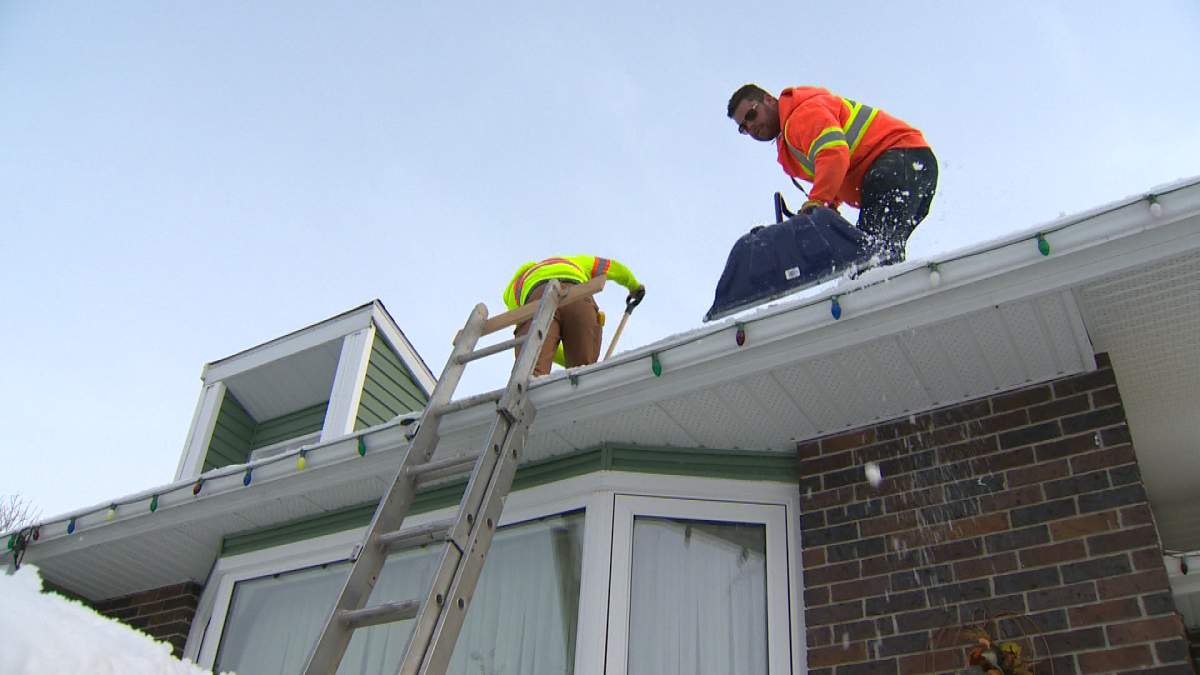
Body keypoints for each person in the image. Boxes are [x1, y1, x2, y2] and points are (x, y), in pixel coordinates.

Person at [728, 84, 938, 265]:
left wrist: (817, 202)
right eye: (743, 128)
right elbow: (834, 172)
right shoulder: (791, 145)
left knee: (871, 255)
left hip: (899, 161)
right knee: (880, 251)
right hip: (908, 167)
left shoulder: (802, 114)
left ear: (768, 100)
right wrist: (829, 206)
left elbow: (833, 154)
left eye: (751, 115)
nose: (751, 127)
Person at [502, 255, 645, 376]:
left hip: (536, 303)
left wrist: (561, 357)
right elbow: (613, 267)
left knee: (530, 373)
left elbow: (538, 339)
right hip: (577, 295)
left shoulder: (515, 287)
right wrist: (634, 286)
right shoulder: (575, 262)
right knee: (583, 374)